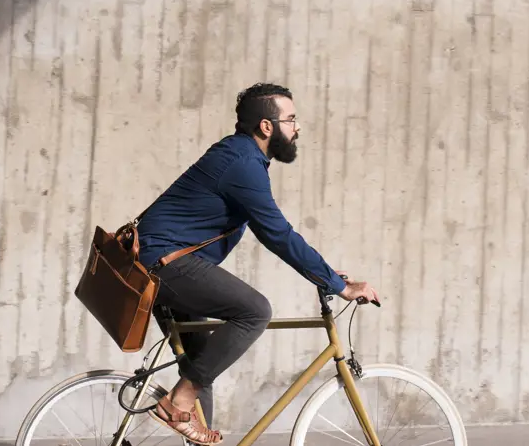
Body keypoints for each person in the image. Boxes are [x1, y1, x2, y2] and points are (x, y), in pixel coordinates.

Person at [135, 82, 381, 446]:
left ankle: (184, 408)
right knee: (254, 311)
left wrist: (325, 274)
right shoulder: (242, 164)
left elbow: (274, 234)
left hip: (163, 262)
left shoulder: (240, 157)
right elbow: (278, 233)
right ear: (267, 126)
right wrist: (340, 286)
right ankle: (177, 404)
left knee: (202, 366)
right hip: (163, 263)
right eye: (291, 119)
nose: (297, 128)